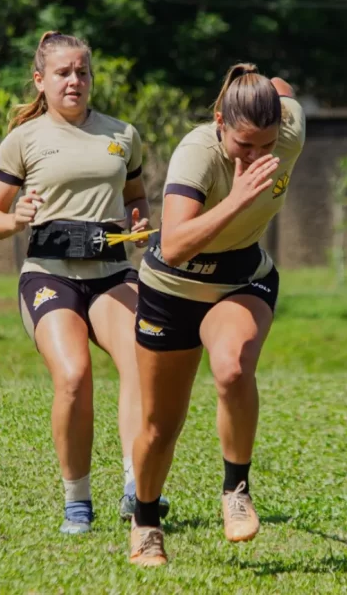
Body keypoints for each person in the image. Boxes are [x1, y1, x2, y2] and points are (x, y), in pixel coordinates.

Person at [0, 30, 168, 535]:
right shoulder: (24, 139)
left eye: (82, 72)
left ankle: (135, 485)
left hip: (111, 274)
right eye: (63, 73)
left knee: (141, 360)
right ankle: (76, 500)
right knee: (74, 377)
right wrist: (17, 219)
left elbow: (136, 197)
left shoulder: (122, 134)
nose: (75, 81)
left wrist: (140, 224)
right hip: (50, 275)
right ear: (40, 80)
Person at [126, 63, 305, 566]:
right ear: (220, 121)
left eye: (266, 147)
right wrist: (240, 197)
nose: (256, 156)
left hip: (241, 277)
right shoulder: (197, 154)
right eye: (244, 145)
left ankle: (236, 489)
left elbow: (284, 92)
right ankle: (145, 523)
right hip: (171, 285)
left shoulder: (287, 124)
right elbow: (176, 243)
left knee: (232, 367)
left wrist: (256, 79)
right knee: (161, 424)